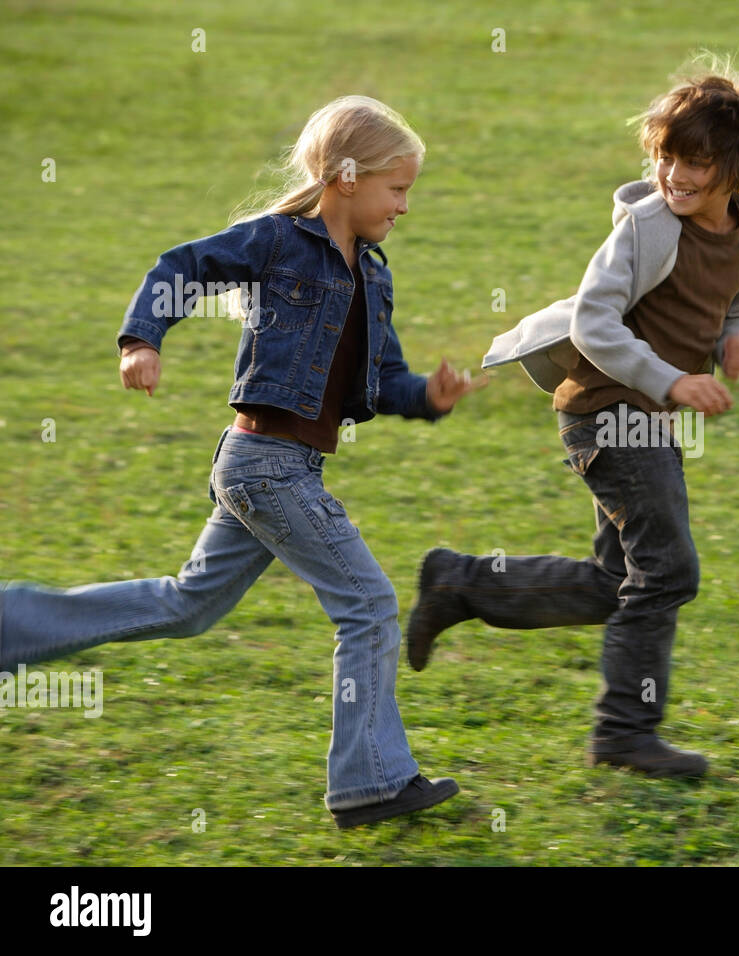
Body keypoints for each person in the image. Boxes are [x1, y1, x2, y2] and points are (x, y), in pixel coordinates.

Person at [0, 95, 484, 828]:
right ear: (346, 179)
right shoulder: (277, 242)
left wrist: (430, 395)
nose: (406, 206)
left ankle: (12, 624)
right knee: (371, 605)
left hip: (277, 469)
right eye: (399, 188)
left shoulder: (374, 275)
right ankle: (372, 782)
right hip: (266, 464)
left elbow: (382, 381)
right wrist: (142, 340)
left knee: (188, 604)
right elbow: (181, 267)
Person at [407, 51, 739, 778]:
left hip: (652, 415)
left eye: (694, 163)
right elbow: (593, 324)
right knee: (668, 571)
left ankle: (460, 582)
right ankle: (624, 734)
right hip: (607, 409)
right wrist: (675, 381)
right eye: (666, 157)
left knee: (616, 583)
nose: (674, 175)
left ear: (735, 170)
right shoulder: (644, 229)